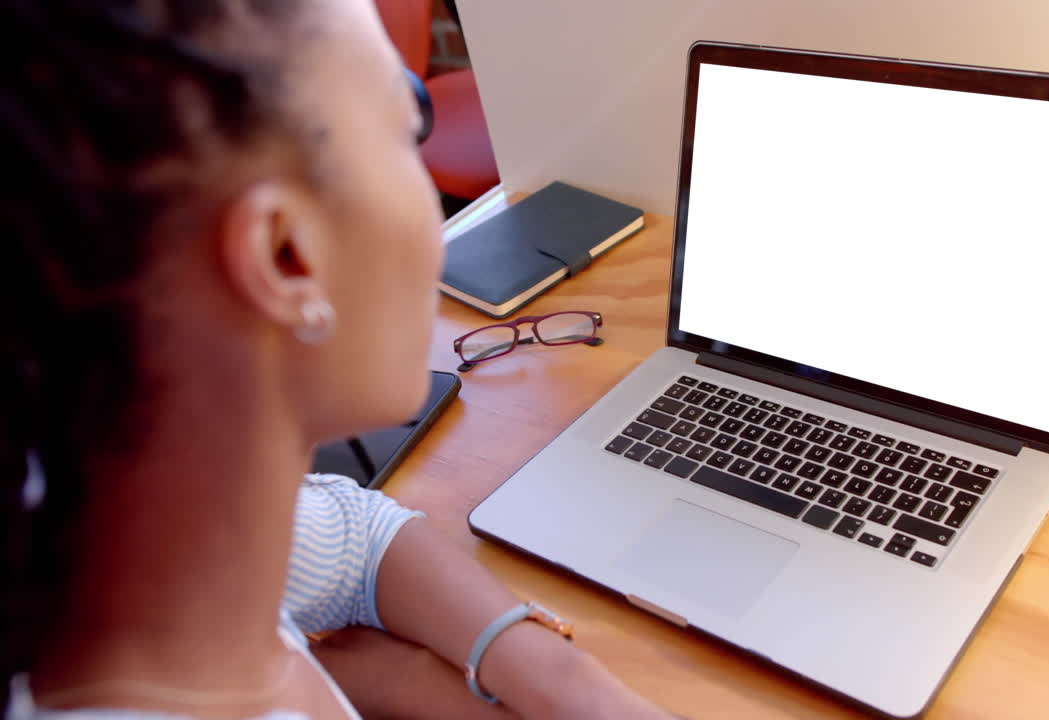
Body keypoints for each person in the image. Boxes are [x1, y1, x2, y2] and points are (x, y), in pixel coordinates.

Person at [0, 1, 677, 718]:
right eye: (405, 127)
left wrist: (554, 685)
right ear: (287, 256)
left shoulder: (139, 546)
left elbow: (355, 539)